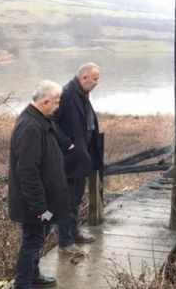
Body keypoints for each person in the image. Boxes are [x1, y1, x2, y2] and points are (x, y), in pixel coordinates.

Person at [8, 80, 69, 289]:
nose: (58, 106)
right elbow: (27, 172)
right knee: (32, 241)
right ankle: (22, 283)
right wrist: (40, 208)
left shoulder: (40, 120)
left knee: (38, 238)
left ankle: (33, 276)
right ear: (45, 102)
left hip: (46, 202)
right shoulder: (30, 127)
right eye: (56, 102)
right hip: (37, 205)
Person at [53, 62, 104, 255]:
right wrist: (67, 143)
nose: (97, 83)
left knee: (76, 198)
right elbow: (52, 123)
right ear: (84, 78)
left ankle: (74, 232)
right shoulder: (65, 94)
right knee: (66, 200)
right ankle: (65, 242)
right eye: (95, 79)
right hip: (69, 159)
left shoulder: (82, 94)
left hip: (81, 157)